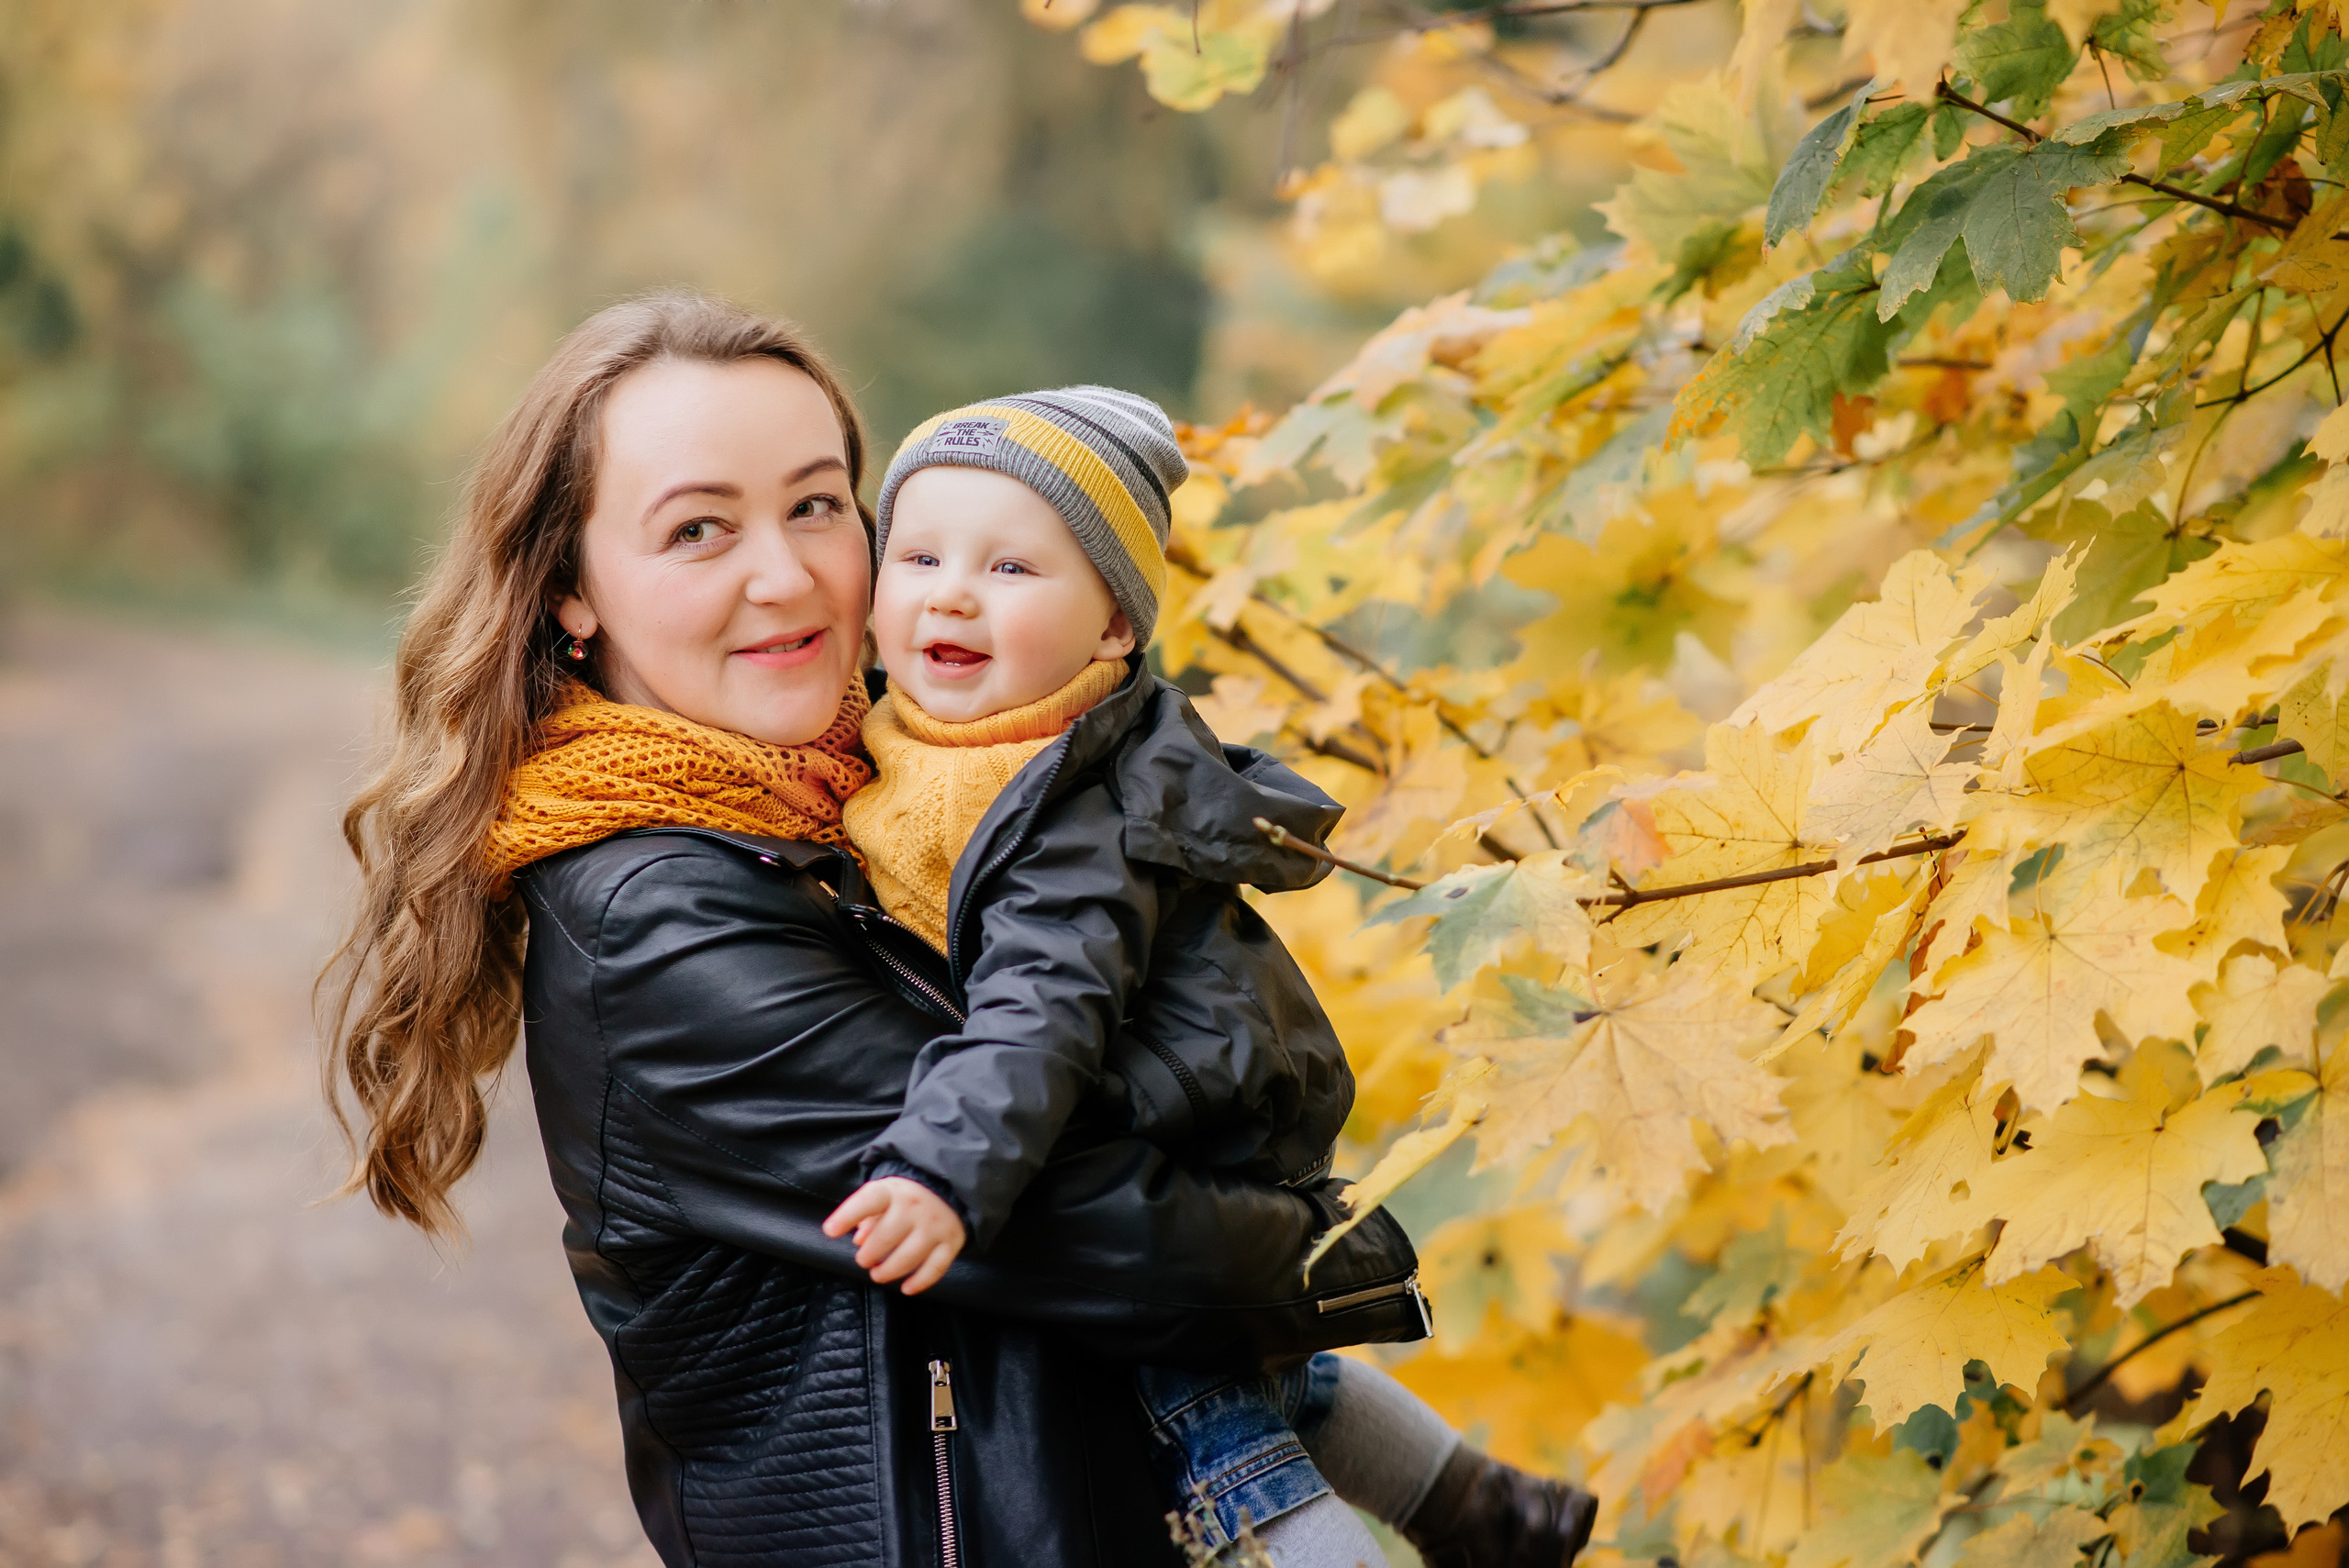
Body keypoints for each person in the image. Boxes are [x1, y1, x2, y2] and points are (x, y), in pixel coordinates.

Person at [322, 292, 1427, 1568]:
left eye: (816, 504)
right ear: (572, 592)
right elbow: (1081, 1219)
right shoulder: (656, 921)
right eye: (697, 529)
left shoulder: (904, 794)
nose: (785, 575)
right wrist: (1355, 1255)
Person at [821, 385, 1600, 1568]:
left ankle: (1438, 1522)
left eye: (1016, 570)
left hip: (1153, 1134)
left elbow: (1044, 1008)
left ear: (1113, 633)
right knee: (1289, 1382)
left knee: (1209, 1425)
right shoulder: (935, 744)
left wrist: (941, 1168)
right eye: (917, 554)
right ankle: (1483, 1508)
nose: (953, 591)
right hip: (1163, 1138)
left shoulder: (1065, 807)